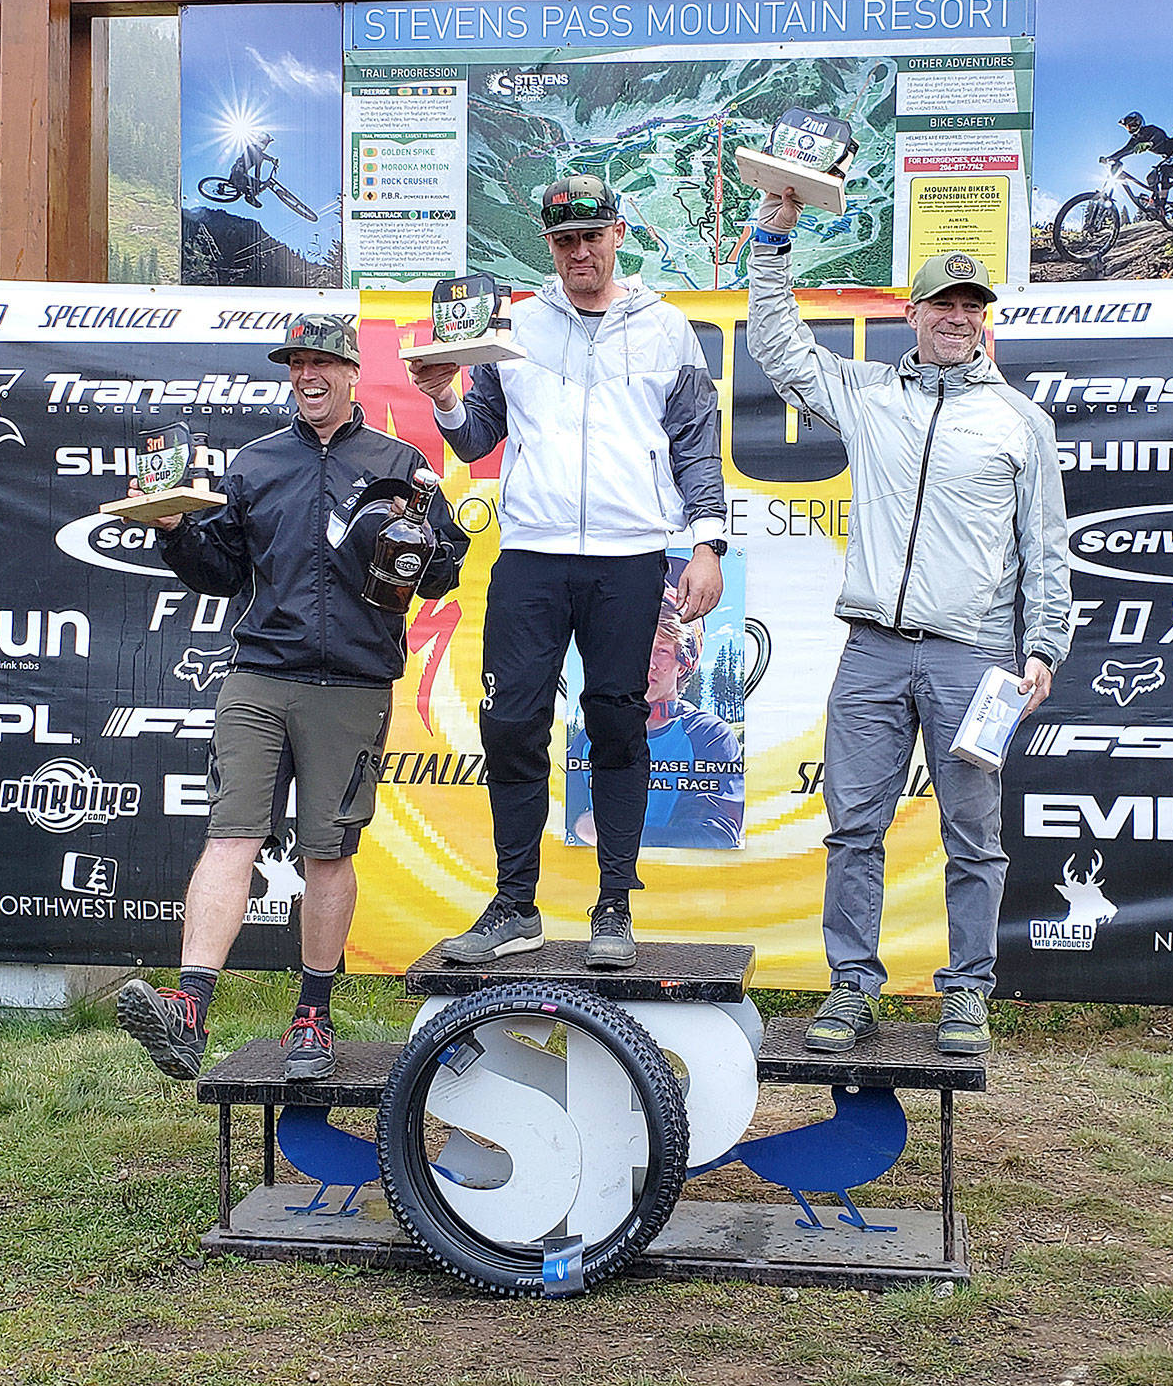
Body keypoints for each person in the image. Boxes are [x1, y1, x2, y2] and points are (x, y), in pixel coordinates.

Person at [747, 191, 1071, 1056]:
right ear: (913, 314)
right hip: (874, 655)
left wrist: (1044, 646)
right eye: (944, 305)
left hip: (976, 659)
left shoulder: (1021, 422)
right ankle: (853, 986)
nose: (958, 318)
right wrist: (772, 240)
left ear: (984, 322)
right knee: (853, 826)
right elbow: (777, 348)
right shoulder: (867, 393)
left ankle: (966, 993)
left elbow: (1047, 548)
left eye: (972, 307)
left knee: (973, 835)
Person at [116, 314, 469, 1081]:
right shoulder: (255, 464)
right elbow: (218, 570)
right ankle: (189, 1009)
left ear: (351, 373)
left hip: (351, 684)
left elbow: (443, 571)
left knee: (327, 852)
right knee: (230, 834)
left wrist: (424, 545)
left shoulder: (400, 463)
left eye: (322, 363)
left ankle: (312, 1014)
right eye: (296, 363)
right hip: (259, 676)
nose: (307, 375)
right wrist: (174, 527)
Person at [410, 174, 726, 969]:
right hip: (533, 553)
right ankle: (515, 904)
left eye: (591, 235)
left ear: (618, 232)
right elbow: (478, 438)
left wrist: (708, 543)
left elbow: (694, 438)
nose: (579, 252)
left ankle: (613, 904)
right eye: (562, 240)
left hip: (630, 557)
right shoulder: (511, 324)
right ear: (546, 246)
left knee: (619, 719)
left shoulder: (666, 328)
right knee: (511, 721)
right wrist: (446, 396)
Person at [569, 583, 743, 849]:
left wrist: (615, 836)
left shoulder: (707, 736)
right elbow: (564, 821)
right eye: (637, 648)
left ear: (684, 662)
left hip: (683, 886)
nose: (647, 662)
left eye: (661, 650)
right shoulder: (590, 737)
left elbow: (717, 834)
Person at [1101, 112, 1173, 210]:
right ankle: (1156, 201)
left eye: (1132, 126)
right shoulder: (1135, 139)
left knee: (1164, 170)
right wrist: (1110, 158)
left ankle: (1162, 204)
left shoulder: (1149, 130)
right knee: (1151, 178)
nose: (1130, 129)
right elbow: (1125, 150)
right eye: (1128, 127)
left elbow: (1160, 136)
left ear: (1139, 123)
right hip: (1167, 156)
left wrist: (1150, 143)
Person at [230, 132, 275, 209]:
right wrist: (271, 159)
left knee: (257, 184)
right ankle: (250, 197)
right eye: (265, 143)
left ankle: (250, 195)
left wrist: (260, 182)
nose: (265, 146)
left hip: (240, 174)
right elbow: (260, 154)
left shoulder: (259, 158)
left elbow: (257, 171)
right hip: (238, 172)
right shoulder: (252, 147)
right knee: (256, 183)